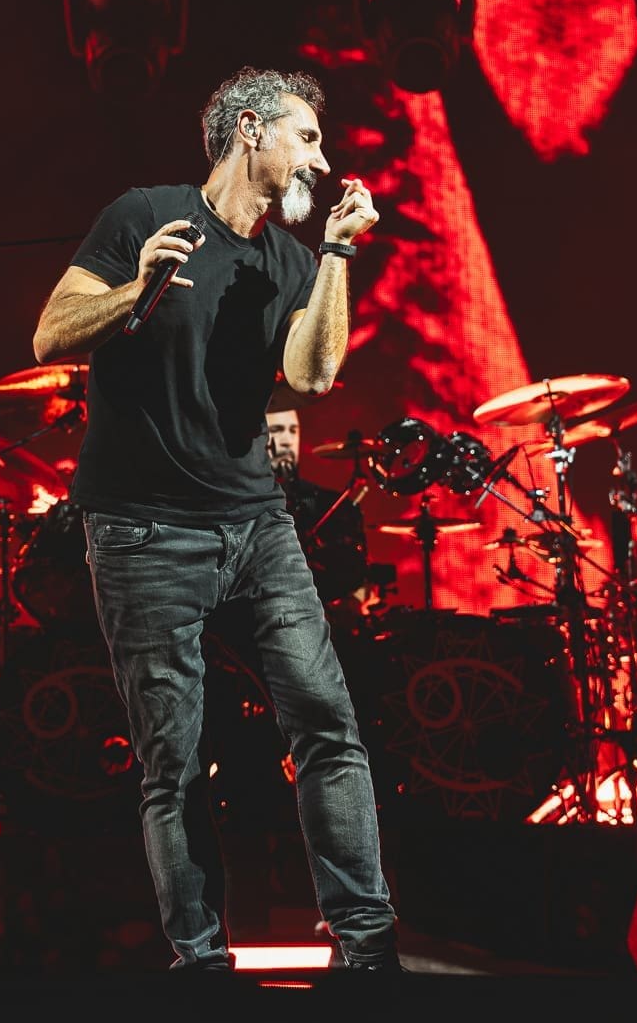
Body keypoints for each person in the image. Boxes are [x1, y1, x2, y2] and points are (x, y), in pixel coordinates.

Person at [31, 66, 402, 973]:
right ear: (250, 130)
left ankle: (367, 947)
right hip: (142, 534)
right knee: (175, 758)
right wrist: (138, 293)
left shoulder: (287, 258)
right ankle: (200, 963)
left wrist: (339, 257)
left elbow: (312, 376)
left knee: (326, 722)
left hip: (253, 526)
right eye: (307, 135)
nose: (321, 152)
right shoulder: (142, 214)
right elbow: (48, 335)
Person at [265, 402, 395, 622]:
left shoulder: (317, 499)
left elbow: (348, 556)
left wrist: (358, 594)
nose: (285, 441)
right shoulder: (244, 496)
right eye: (276, 432)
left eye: (292, 431)